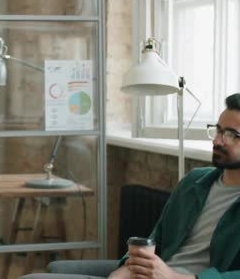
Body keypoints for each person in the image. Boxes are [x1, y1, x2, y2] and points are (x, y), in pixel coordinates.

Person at [23, 93, 240, 279]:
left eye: (230, 135)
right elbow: (155, 240)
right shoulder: (195, 182)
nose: (217, 141)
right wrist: (126, 268)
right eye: (218, 130)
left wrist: (174, 276)